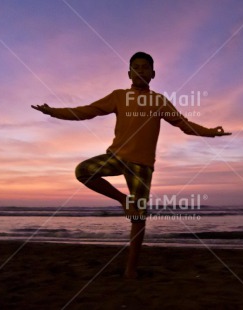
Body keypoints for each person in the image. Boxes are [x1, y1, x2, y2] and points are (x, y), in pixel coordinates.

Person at [31, 51, 231, 278]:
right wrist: (53, 112)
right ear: (129, 73)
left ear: (153, 74)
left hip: (142, 166)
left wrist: (210, 133)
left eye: (145, 67)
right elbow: (87, 111)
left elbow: (183, 124)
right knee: (83, 170)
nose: (141, 71)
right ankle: (122, 200)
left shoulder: (159, 101)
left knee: (138, 217)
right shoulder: (119, 96)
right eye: (136, 67)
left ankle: (130, 270)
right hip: (116, 157)